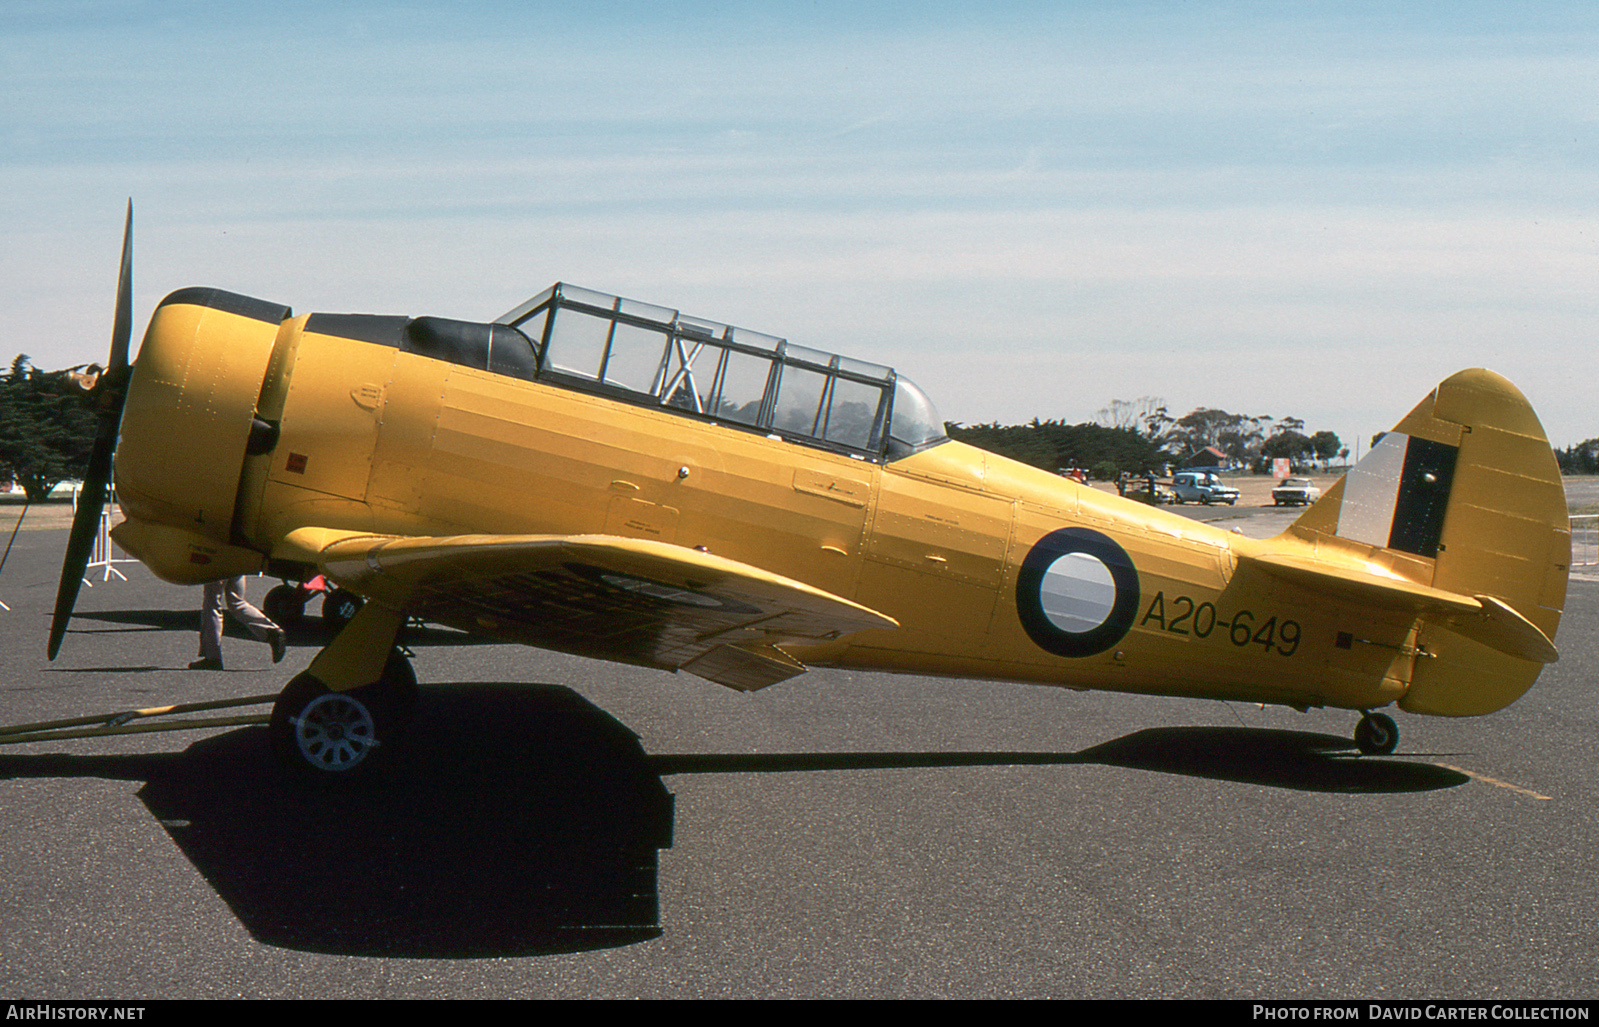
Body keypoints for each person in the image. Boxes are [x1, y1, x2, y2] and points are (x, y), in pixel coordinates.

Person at [189, 576, 286, 670]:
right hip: (239, 563)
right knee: (237, 602)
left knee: (212, 605)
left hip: (218, 563)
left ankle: (212, 657)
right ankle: (270, 631)